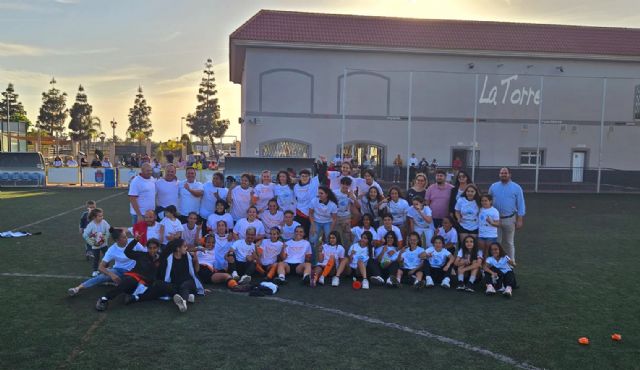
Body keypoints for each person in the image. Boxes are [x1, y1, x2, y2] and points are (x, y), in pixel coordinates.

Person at [94, 237, 164, 312]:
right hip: (133, 279)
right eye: (150, 248)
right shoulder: (141, 255)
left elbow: (161, 273)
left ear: (158, 248)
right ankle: (104, 298)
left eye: (154, 248)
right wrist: (135, 241)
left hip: (144, 285)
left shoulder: (161, 259)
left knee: (157, 288)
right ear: (147, 248)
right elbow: (127, 252)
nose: (152, 250)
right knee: (130, 281)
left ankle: (132, 297)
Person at [68, 228, 141, 296]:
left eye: (126, 236)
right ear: (117, 240)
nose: (127, 238)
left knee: (132, 285)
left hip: (134, 271)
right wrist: (111, 274)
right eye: (124, 237)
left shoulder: (133, 242)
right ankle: (77, 288)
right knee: (101, 277)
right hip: (118, 270)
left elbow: (146, 253)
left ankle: (114, 282)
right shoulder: (112, 250)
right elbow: (101, 267)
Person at [488, 168, 526, 262]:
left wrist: (520, 219)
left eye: (505, 173)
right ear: (499, 174)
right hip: (495, 220)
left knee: (509, 243)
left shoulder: (516, 187)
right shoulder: (493, 186)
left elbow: (521, 204)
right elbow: (488, 201)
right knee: (497, 242)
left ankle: (511, 262)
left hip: (509, 219)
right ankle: (497, 261)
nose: (503, 175)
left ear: (510, 174)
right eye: (501, 173)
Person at [159, 238, 205, 312]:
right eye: (184, 246)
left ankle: (183, 302)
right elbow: (164, 276)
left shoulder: (188, 256)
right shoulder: (168, 259)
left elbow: (195, 272)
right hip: (176, 284)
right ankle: (188, 296)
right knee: (165, 285)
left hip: (189, 282)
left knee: (184, 286)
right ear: (178, 248)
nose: (186, 248)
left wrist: (196, 260)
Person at [83, 208, 111, 277]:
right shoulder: (91, 225)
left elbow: (108, 230)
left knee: (107, 256)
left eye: (102, 216)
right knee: (96, 258)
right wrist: (91, 242)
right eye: (100, 216)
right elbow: (85, 234)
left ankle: (106, 268)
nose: (102, 217)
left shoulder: (104, 222)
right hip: (95, 245)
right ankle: (95, 270)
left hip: (104, 244)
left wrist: (105, 238)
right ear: (94, 217)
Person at [293, 168, 321, 237]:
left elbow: (322, 175)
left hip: (312, 214)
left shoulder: (313, 183)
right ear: (300, 177)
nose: (304, 178)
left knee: (311, 235)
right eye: (302, 176)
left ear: (309, 177)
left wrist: (324, 163)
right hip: (300, 213)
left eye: (306, 176)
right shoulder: (296, 186)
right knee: (299, 234)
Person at [309, 186, 338, 251]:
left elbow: (334, 219)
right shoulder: (314, 200)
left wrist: (331, 230)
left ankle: (327, 254)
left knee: (329, 239)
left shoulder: (333, 205)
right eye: (318, 193)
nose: (319, 195)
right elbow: (310, 213)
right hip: (316, 221)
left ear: (327, 194)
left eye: (321, 193)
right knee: (312, 239)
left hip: (328, 222)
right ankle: (312, 256)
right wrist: (313, 226)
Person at [334, 177, 357, 249]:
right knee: (336, 235)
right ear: (341, 184)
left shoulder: (351, 194)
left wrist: (352, 196)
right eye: (343, 184)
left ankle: (348, 254)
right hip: (336, 217)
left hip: (346, 217)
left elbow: (356, 204)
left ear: (349, 186)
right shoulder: (334, 192)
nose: (345, 186)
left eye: (347, 184)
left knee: (347, 237)